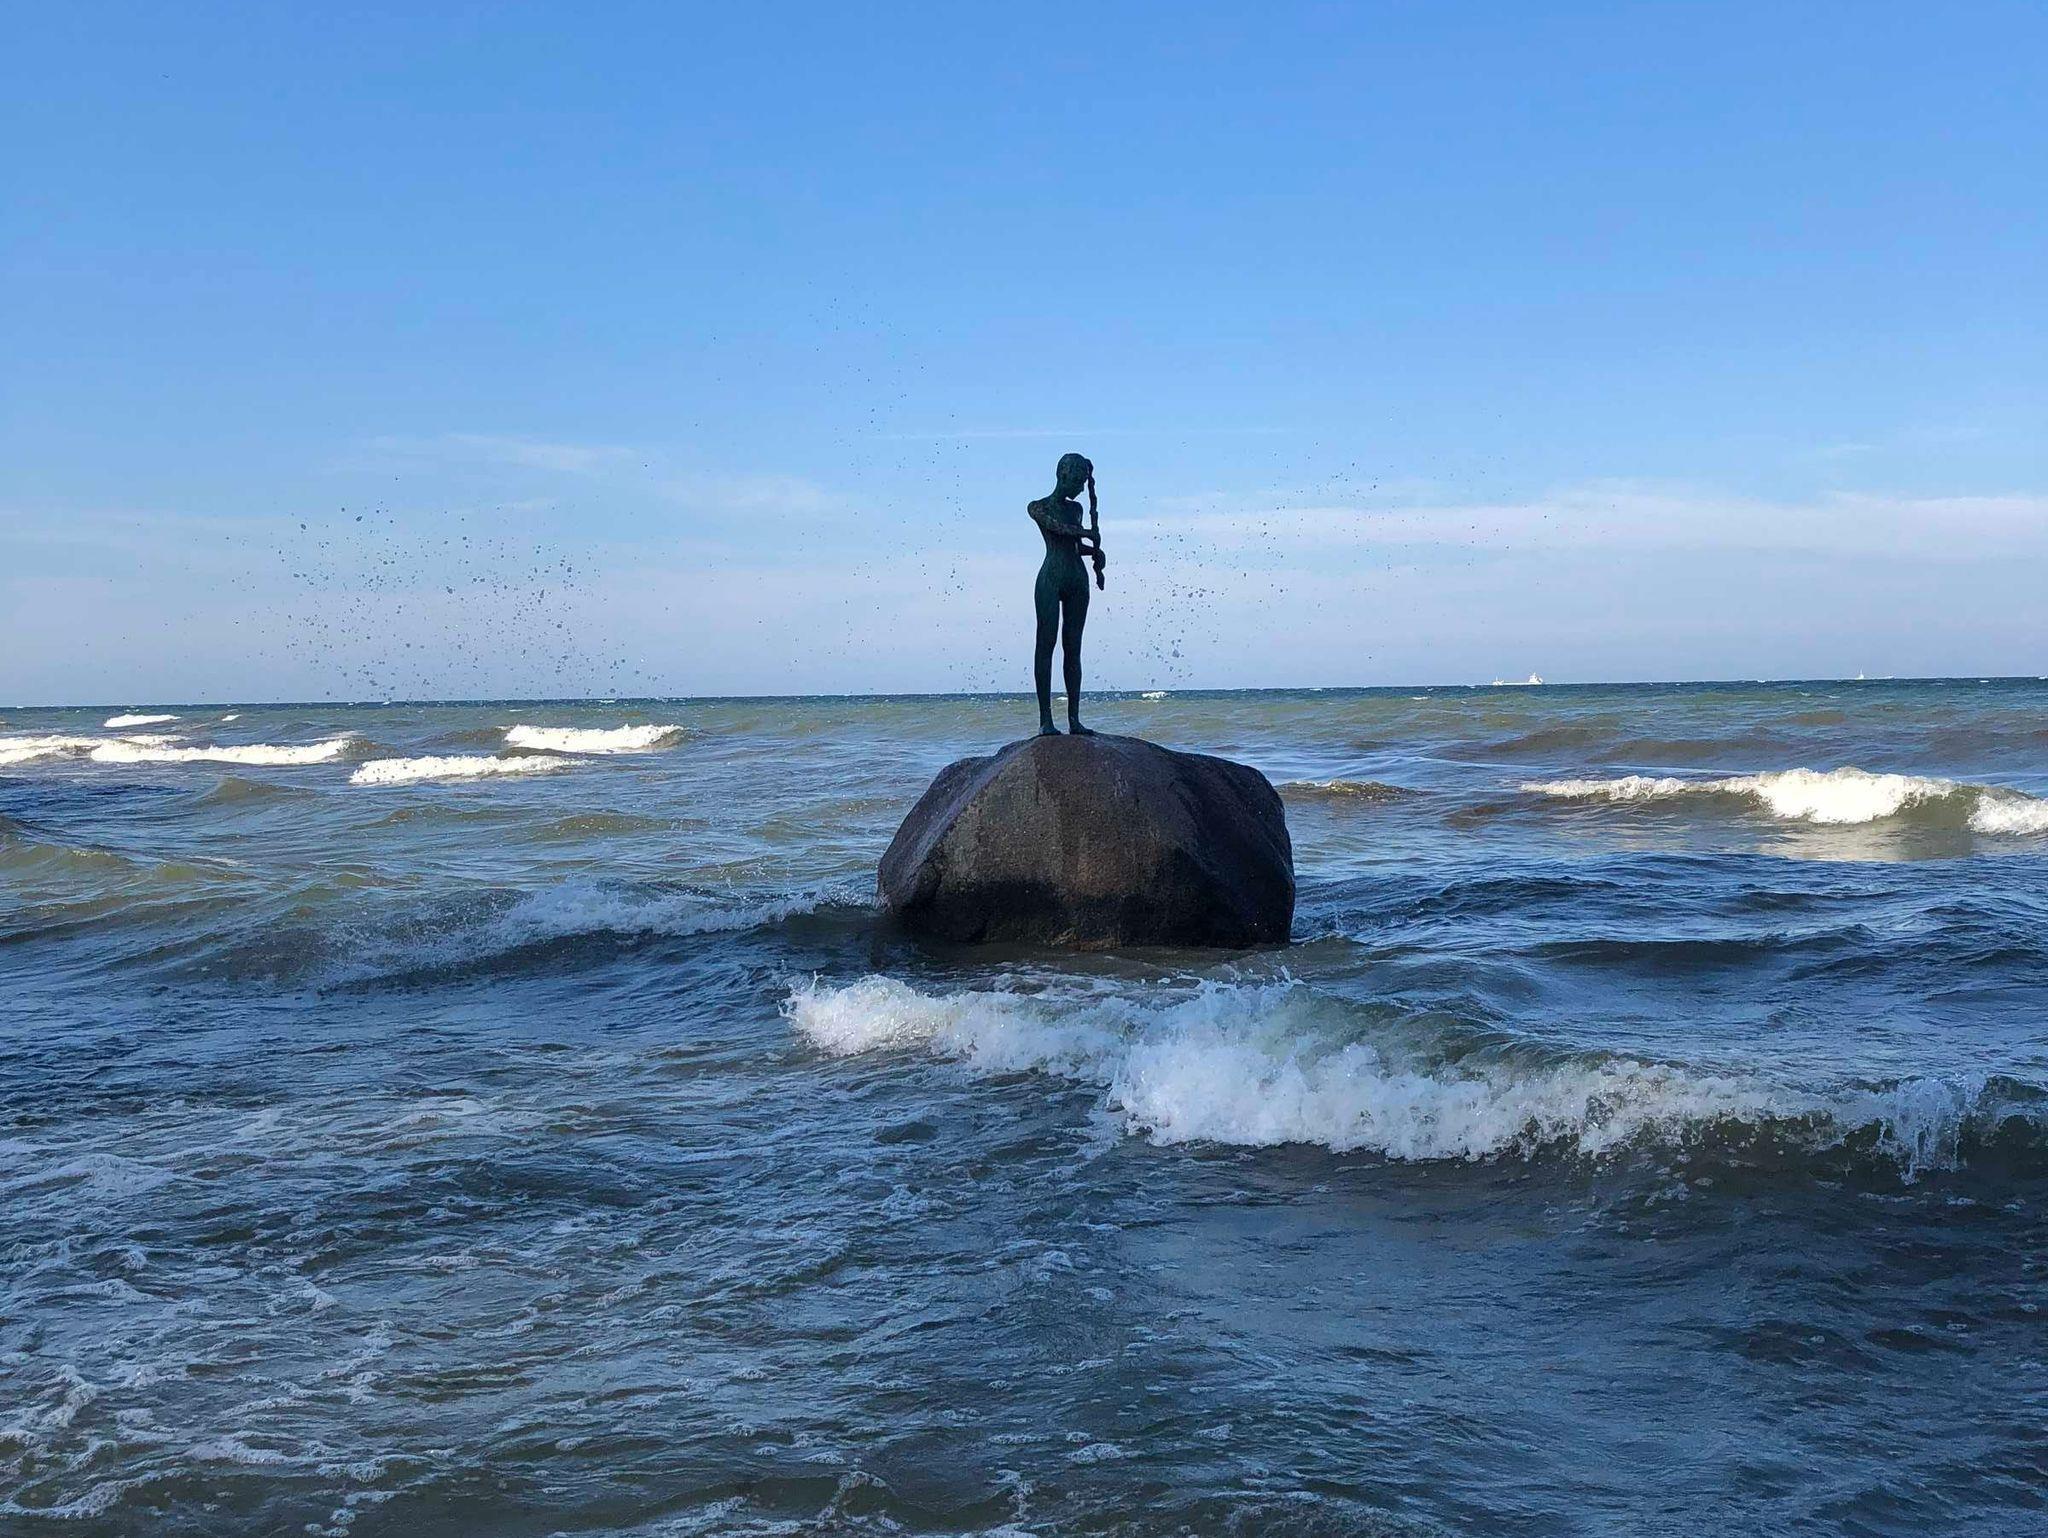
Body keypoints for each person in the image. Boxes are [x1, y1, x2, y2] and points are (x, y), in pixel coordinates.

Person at [1026, 452, 1105, 736]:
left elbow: (1074, 545)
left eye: (1085, 482)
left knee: (1073, 648)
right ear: (1063, 475)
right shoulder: (1038, 507)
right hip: (1050, 580)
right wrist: (1086, 533)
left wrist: (1094, 551)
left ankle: (1074, 719)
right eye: (1078, 481)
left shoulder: (1077, 509)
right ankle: (1045, 721)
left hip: (1077, 580)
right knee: (1046, 644)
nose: (1082, 488)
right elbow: (1057, 529)